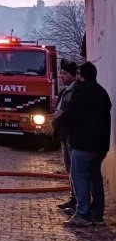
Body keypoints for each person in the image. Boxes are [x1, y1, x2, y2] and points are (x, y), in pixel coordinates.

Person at [57, 61, 112, 228]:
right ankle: (97, 215)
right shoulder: (101, 92)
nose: (77, 77)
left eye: (79, 74)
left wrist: (56, 121)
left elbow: (72, 114)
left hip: (83, 144)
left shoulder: (82, 92)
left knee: (78, 176)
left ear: (83, 76)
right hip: (100, 146)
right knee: (95, 177)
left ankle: (82, 215)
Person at [52, 61, 78, 214]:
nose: (62, 77)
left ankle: (78, 202)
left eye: (65, 74)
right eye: (61, 73)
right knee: (69, 169)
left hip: (71, 135)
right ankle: (73, 198)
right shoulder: (64, 91)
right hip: (64, 135)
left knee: (76, 171)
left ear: (74, 75)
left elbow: (69, 113)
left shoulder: (76, 92)